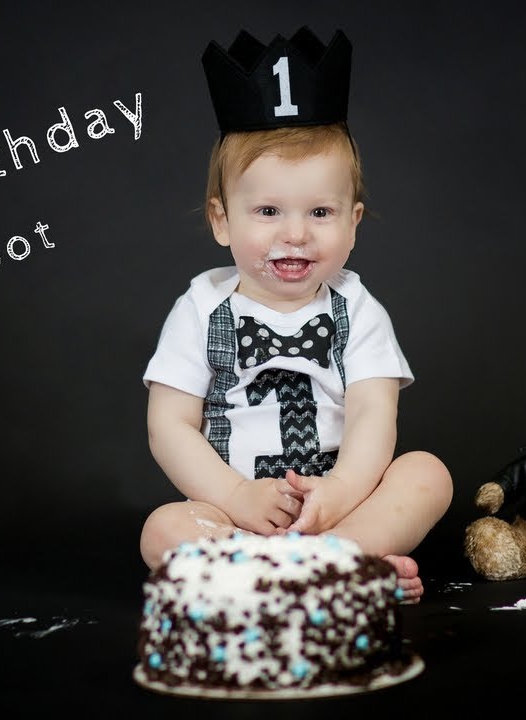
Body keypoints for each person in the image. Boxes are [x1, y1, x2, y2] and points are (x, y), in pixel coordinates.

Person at [139, 27, 452, 602]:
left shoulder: (359, 311)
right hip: (236, 517)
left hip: (336, 511)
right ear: (221, 220)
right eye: (266, 210)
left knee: (427, 473)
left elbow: (371, 415)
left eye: (321, 211)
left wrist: (341, 492)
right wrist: (235, 497)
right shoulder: (200, 310)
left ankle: (338, 557)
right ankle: (324, 576)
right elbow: (169, 425)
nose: (295, 234)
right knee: (163, 529)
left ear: (353, 222)